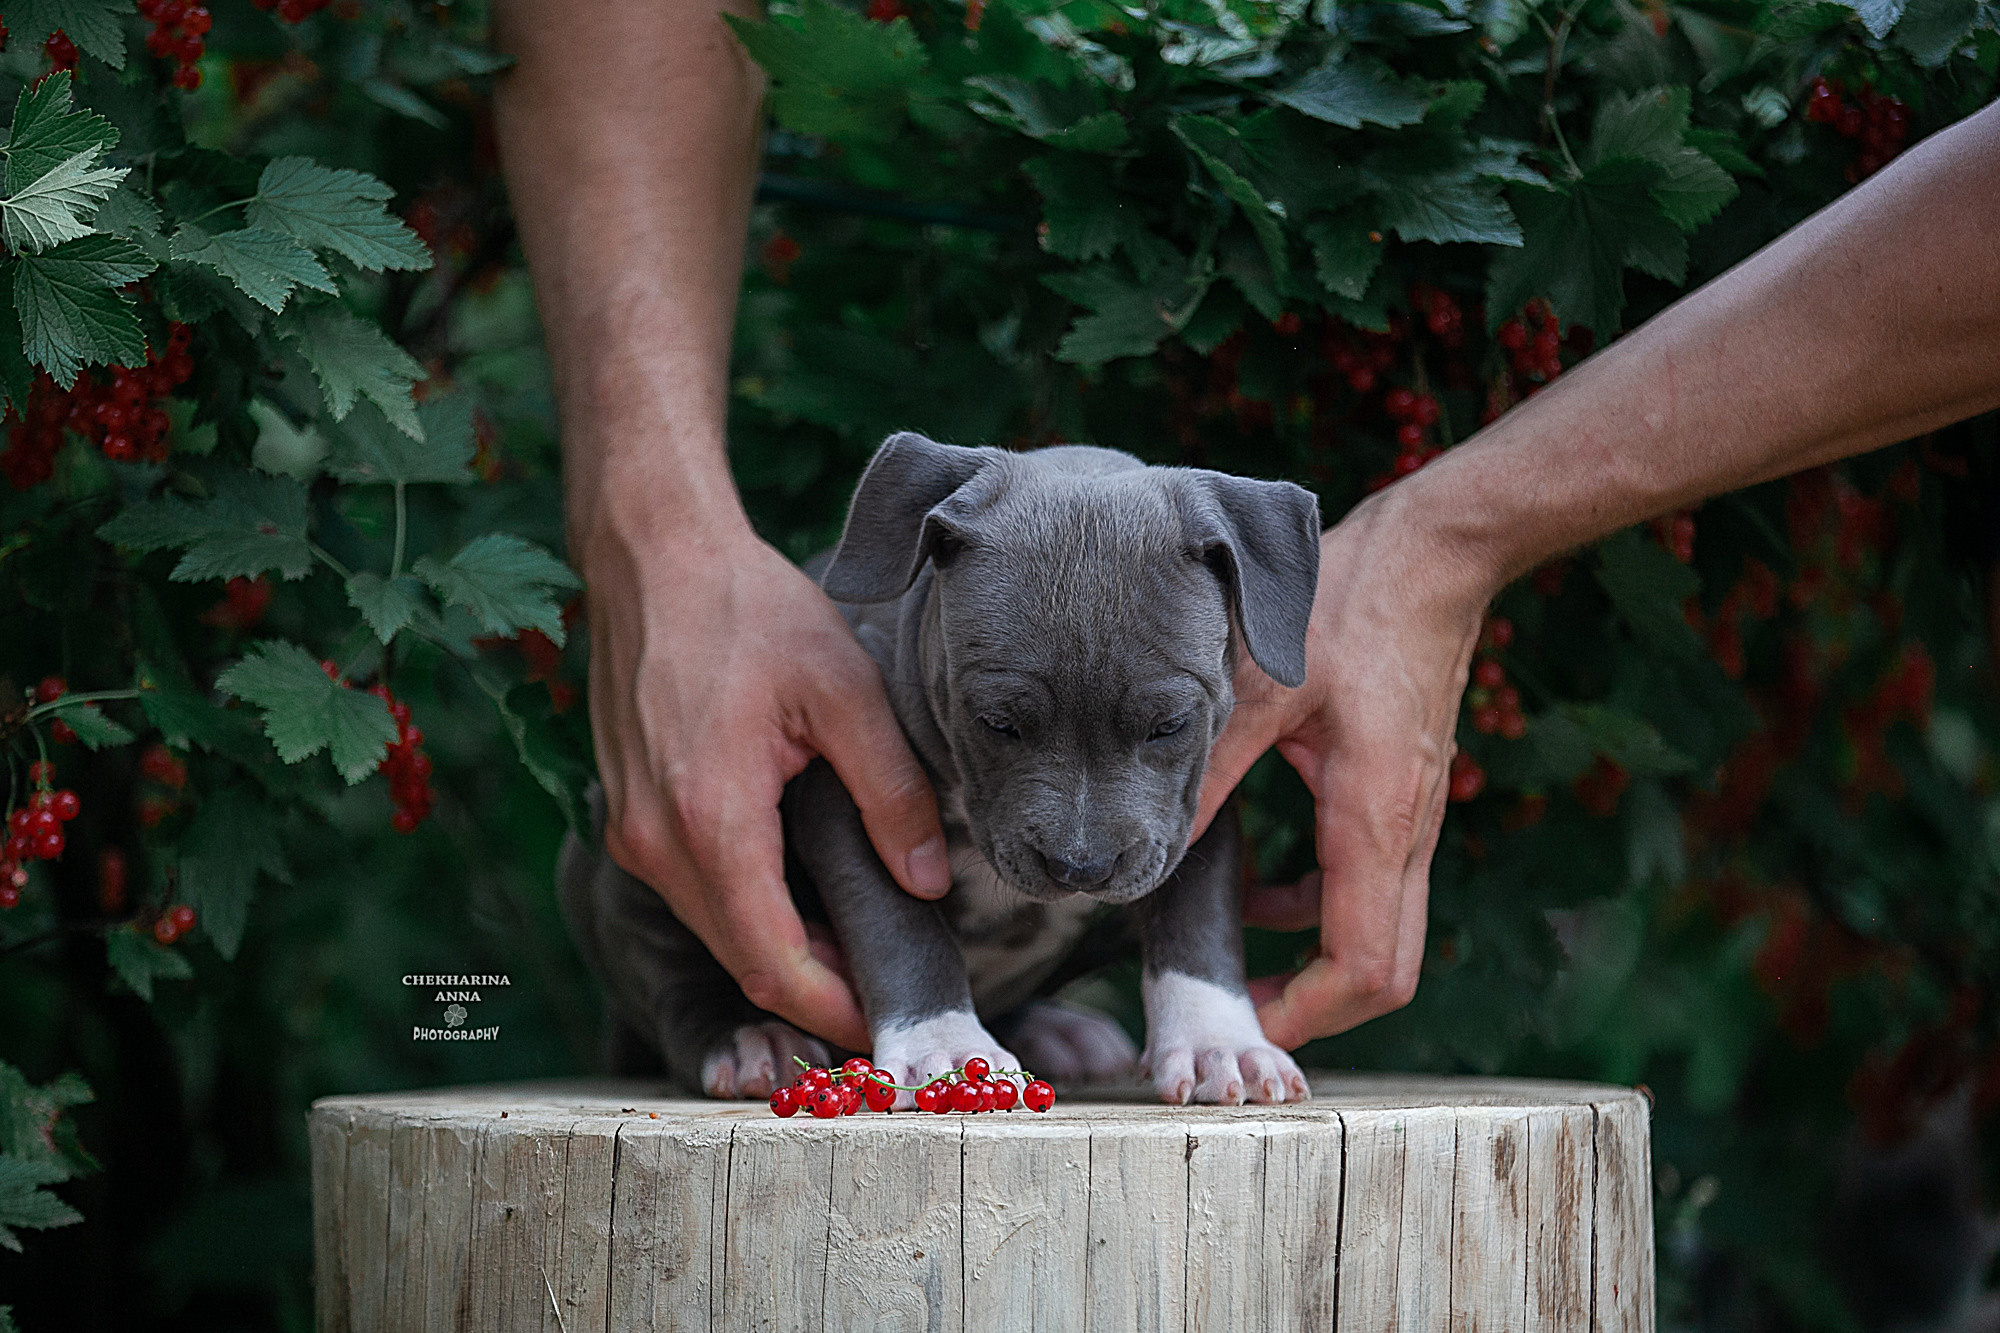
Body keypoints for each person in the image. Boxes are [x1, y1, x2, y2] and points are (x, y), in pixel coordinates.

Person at [491, 0, 2000, 1058]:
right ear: (912, 533)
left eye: (1153, 731)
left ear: (1252, 579)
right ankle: (713, 1021)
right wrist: (657, 529)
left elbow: (1199, 783)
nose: (1084, 831)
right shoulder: (919, 586)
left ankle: (1051, 1001)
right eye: (1009, 723)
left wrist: (1196, 991)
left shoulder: (1206, 615)